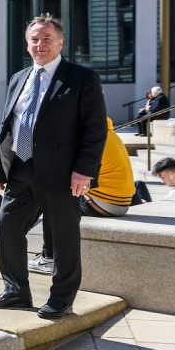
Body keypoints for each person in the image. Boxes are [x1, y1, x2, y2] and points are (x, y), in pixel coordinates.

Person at [0, 15, 107, 319]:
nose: (40, 45)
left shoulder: (81, 78)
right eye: (34, 40)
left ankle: (62, 299)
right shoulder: (19, 78)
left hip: (62, 173)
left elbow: (94, 129)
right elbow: (10, 125)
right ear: (27, 45)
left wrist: (84, 170)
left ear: (61, 42)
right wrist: (2, 168)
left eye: (46, 39)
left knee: (64, 237)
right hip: (21, 170)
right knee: (8, 228)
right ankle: (16, 292)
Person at [30, 117, 135, 274]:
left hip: (106, 202)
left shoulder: (91, 140)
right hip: (119, 200)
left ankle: (49, 258)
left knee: (53, 206)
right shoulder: (109, 134)